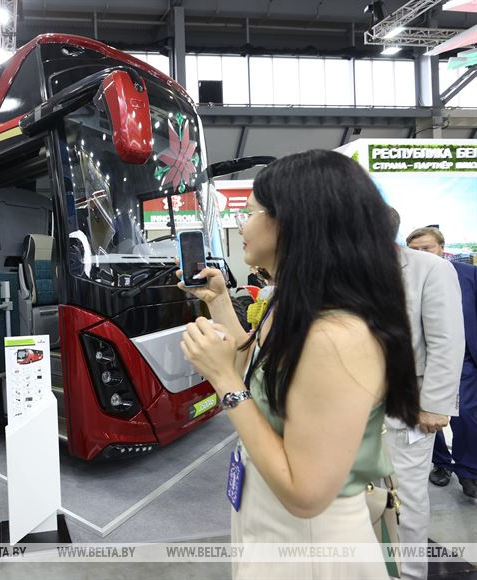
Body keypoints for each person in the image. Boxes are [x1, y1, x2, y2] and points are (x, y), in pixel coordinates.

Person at [178, 150, 421, 578]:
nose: (241, 225)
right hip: (269, 519)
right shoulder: (292, 306)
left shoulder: (335, 337)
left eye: (249, 212)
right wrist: (218, 302)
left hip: (311, 545)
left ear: (291, 220)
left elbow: (305, 494)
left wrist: (223, 380)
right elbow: (257, 368)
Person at [382, 216, 465, 580]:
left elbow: (447, 340)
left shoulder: (429, 269)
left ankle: (410, 573)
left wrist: (434, 406)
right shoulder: (345, 269)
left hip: (407, 402)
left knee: (407, 494)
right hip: (353, 403)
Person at [406, 226, 476, 499]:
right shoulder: (405, 277)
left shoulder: (468, 274)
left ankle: (469, 470)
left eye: (427, 248)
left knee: (466, 414)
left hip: (465, 357)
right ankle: (441, 463)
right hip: (423, 360)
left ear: (442, 248)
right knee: (428, 416)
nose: (421, 253)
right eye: (415, 249)